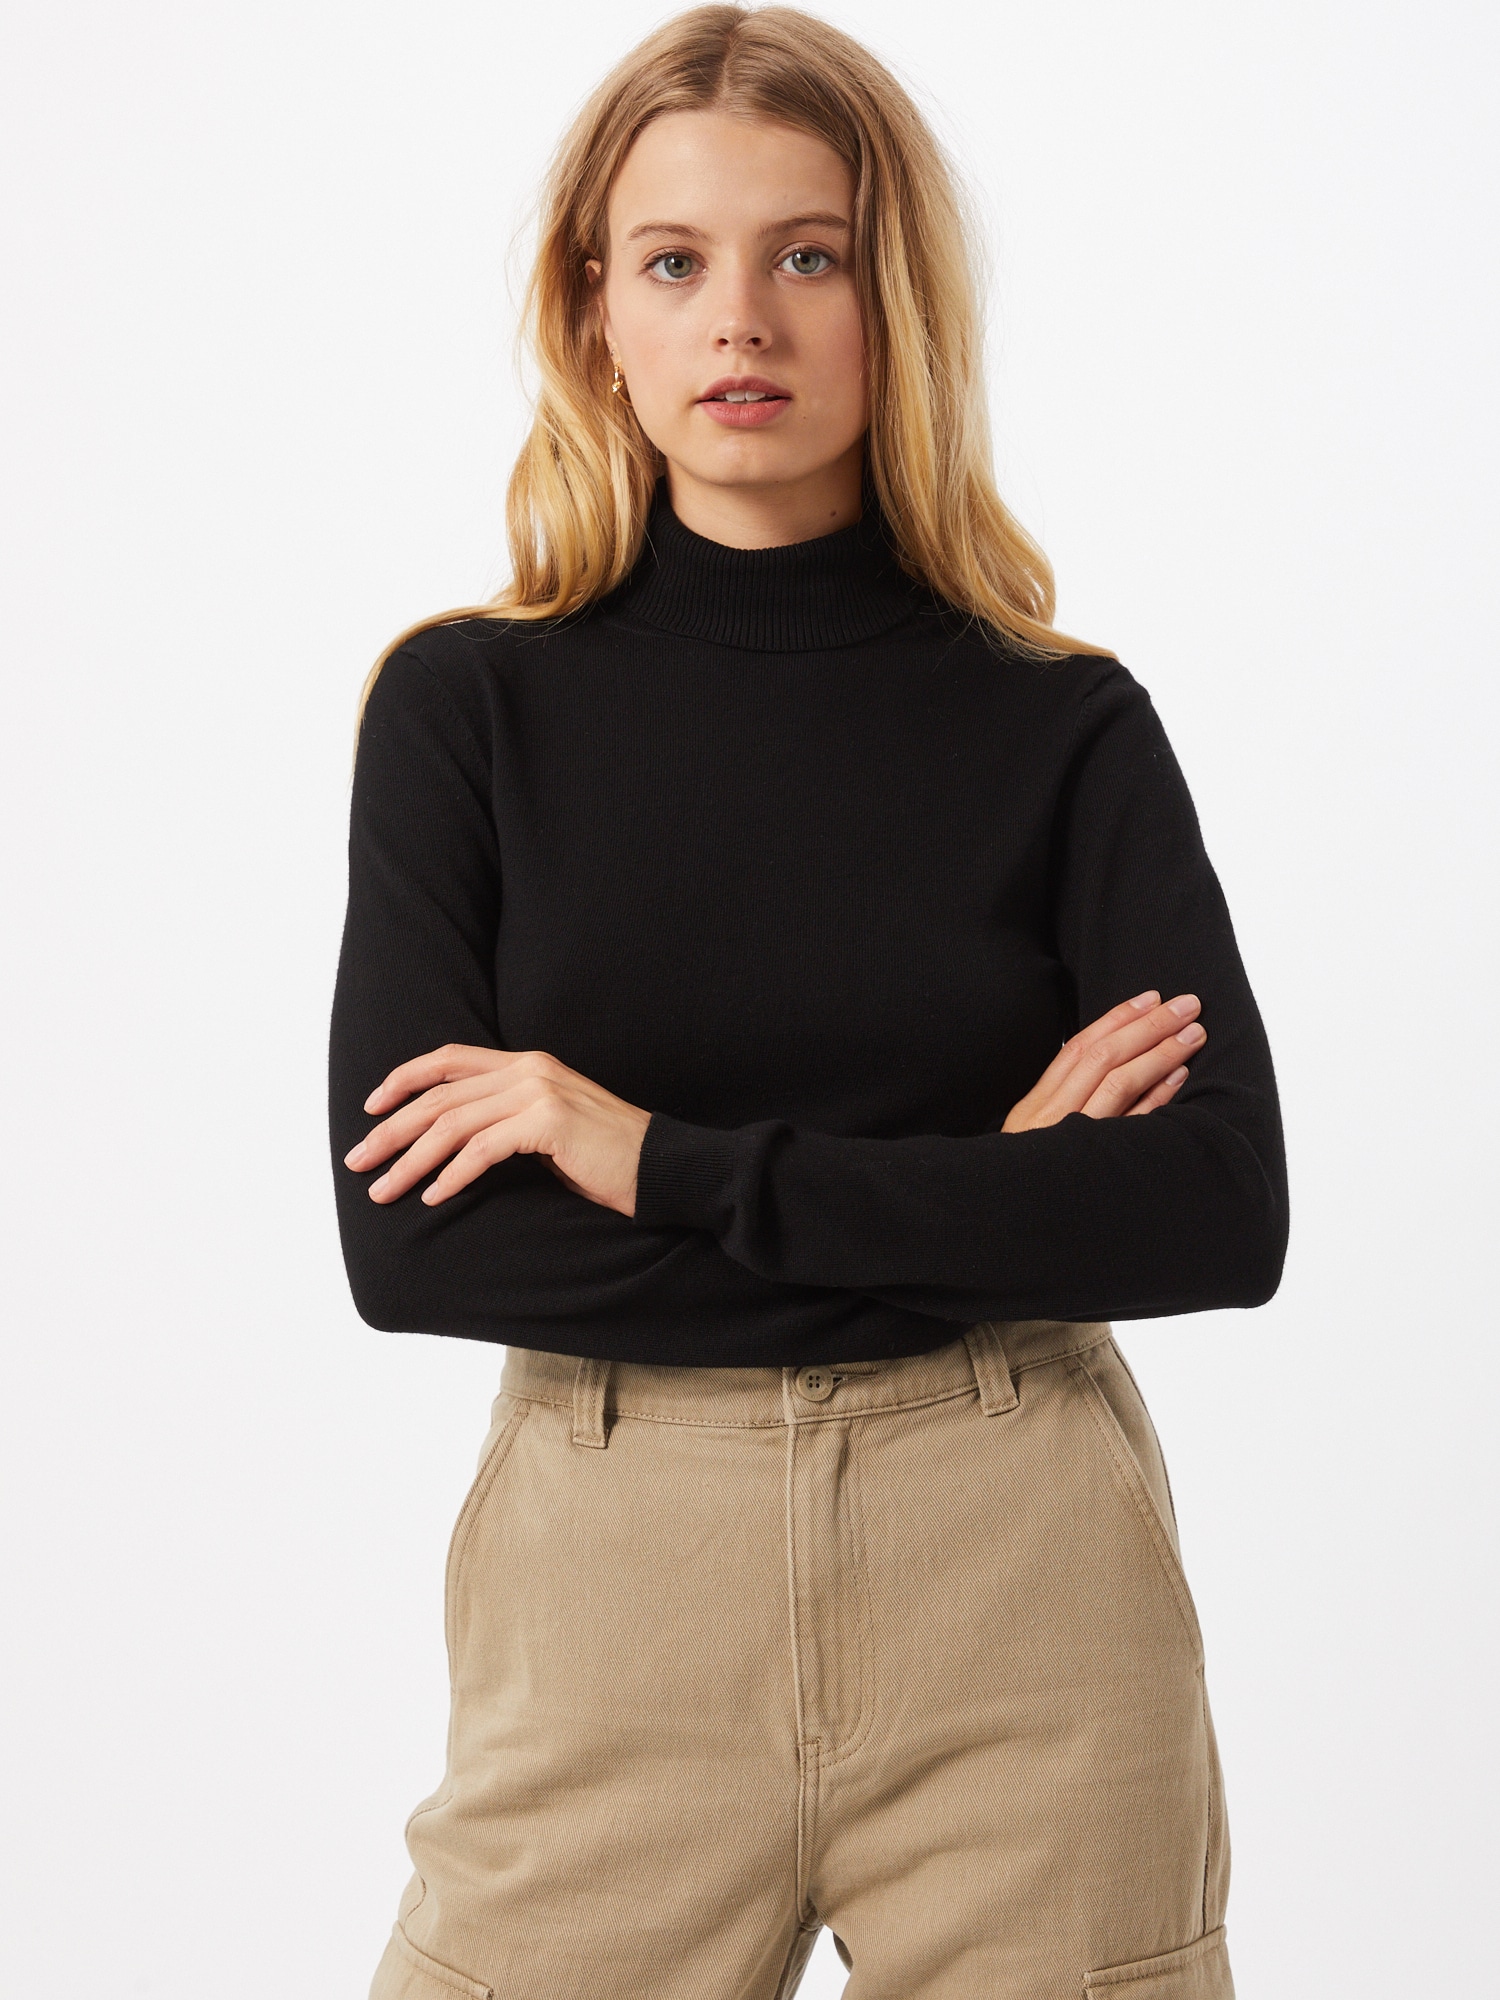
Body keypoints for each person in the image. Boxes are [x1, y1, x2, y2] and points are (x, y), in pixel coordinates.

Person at [328, 7, 1286, 1995]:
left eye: (810, 254)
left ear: (892, 301)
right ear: (595, 312)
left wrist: (647, 1157)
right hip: (615, 1589)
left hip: (1022, 1593)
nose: (740, 318)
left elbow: (1215, 1211)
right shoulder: (467, 712)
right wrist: (989, 1198)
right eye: (675, 260)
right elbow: (420, 1251)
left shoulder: (1062, 727)